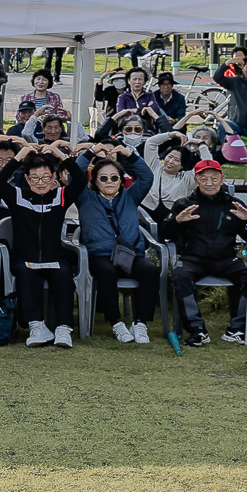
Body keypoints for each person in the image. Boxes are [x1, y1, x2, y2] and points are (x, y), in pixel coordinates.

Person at [165, 159, 247, 347]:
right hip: (193, 258)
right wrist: (176, 221)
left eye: (214, 178)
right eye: (204, 178)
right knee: (179, 274)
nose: (209, 183)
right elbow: (166, 234)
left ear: (222, 179)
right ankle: (196, 330)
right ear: (196, 180)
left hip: (226, 259)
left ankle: (238, 328)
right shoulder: (183, 204)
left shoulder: (234, 204)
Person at [0, 146, 84, 348]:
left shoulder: (60, 197)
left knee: (64, 274)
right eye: (35, 178)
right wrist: (19, 157)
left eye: (45, 177)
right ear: (27, 179)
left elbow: (80, 180)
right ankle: (36, 326)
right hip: (24, 258)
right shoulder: (18, 197)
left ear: (53, 177)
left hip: (54, 257)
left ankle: (63, 328)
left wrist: (62, 156)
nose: (41, 182)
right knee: (26, 274)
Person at [77, 142, 159, 345]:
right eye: (103, 178)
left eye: (114, 177)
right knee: (106, 272)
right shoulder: (85, 198)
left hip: (129, 253)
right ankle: (116, 323)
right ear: (95, 181)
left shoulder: (130, 196)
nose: (109, 181)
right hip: (100, 254)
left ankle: (140, 323)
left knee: (149, 270)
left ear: (122, 181)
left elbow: (147, 177)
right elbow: (74, 175)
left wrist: (128, 153)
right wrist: (91, 152)